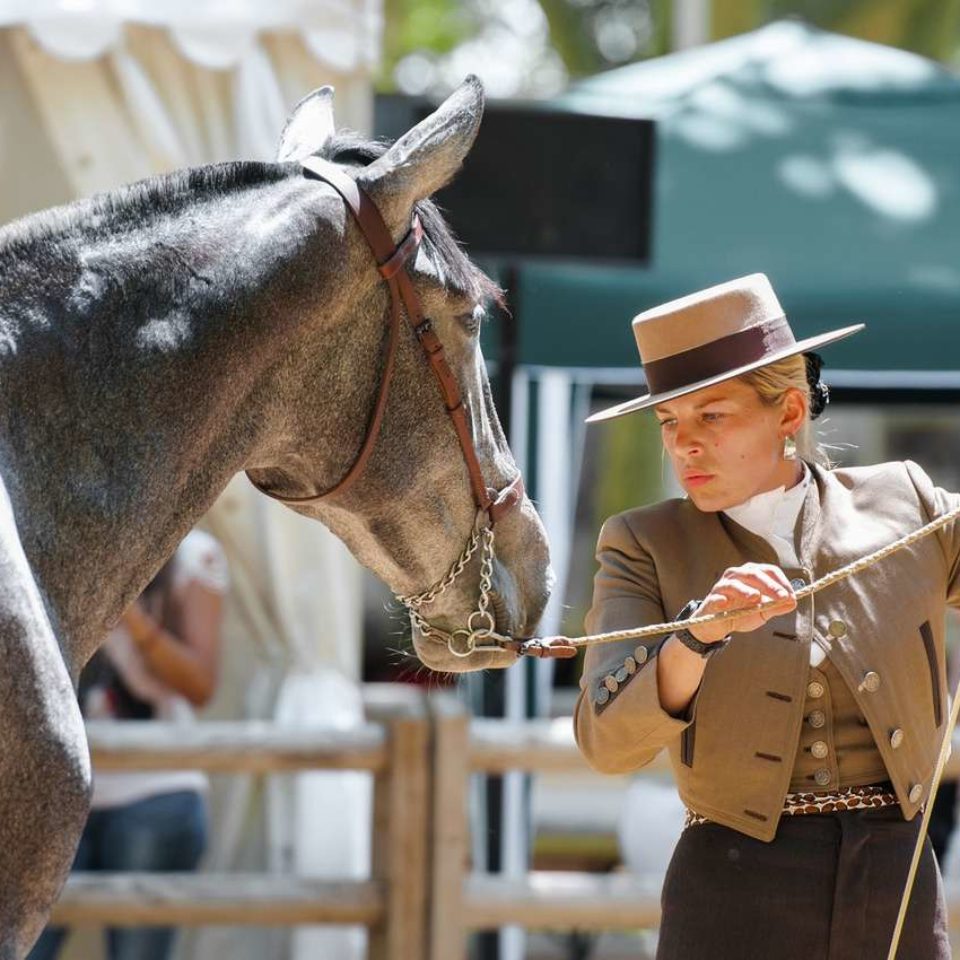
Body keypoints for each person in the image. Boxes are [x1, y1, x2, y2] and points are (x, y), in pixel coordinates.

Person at [574, 274, 953, 959]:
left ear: (789, 413)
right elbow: (606, 742)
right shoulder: (641, 543)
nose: (684, 443)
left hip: (895, 878)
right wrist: (697, 637)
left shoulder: (907, 503)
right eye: (669, 422)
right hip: (732, 885)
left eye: (711, 415)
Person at [30, 528, 227, 960]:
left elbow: (200, 685)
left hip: (156, 793)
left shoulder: (194, 553)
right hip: (55, 794)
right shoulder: (50, 540)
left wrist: (130, 614)